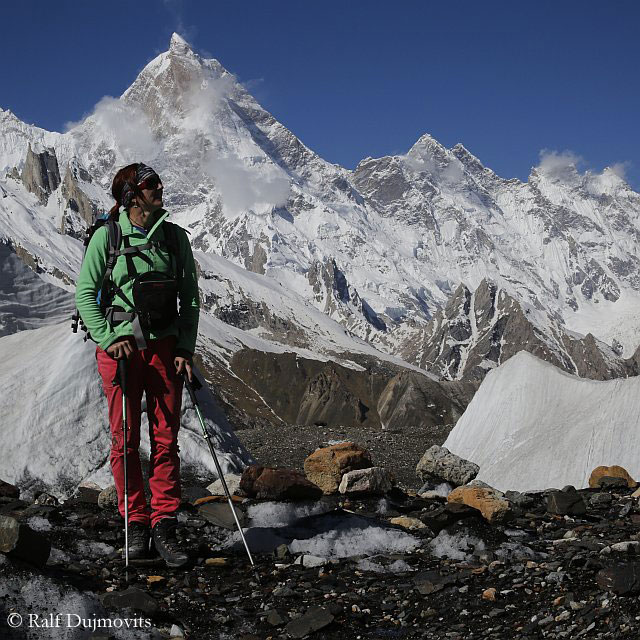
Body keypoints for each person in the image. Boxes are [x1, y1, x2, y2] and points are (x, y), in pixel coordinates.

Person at [75, 163, 200, 567]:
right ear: (131, 195)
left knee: (166, 439)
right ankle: (136, 523)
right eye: (150, 185)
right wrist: (110, 339)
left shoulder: (175, 238)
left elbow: (191, 299)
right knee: (124, 440)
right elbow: (84, 295)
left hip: (165, 350)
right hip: (122, 352)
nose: (159, 187)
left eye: (157, 182)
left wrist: (184, 348)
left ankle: (164, 523)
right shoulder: (106, 238)